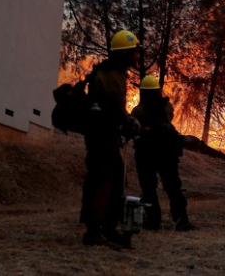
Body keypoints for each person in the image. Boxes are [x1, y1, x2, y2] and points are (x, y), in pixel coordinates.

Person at [80, 30, 140, 248]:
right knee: (103, 181)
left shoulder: (110, 72)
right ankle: (94, 230)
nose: (137, 57)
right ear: (125, 53)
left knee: (114, 181)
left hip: (103, 135)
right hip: (101, 136)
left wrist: (125, 121)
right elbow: (112, 109)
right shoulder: (111, 76)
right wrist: (127, 122)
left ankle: (106, 227)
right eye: (134, 52)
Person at [131, 75, 192, 231]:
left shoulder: (138, 111)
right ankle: (181, 221)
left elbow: (134, 127)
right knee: (173, 187)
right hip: (167, 152)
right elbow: (169, 118)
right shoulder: (167, 107)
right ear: (158, 90)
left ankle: (153, 222)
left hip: (146, 152)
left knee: (149, 188)